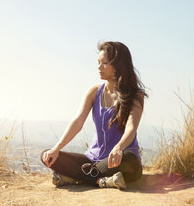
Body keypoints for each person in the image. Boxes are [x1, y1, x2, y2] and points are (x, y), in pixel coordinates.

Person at [40, 41, 148, 190]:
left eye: (104, 63)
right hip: (92, 159)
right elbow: (78, 122)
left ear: (118, 65)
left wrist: (118, 148)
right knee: (47, 155)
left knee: (129, 160)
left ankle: (78, 177)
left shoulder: (136, 96)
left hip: (120, 159)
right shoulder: (94, 92)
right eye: (98, 62)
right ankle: (103, 181)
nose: (99, 67)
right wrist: (56, 148)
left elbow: (131, 127)